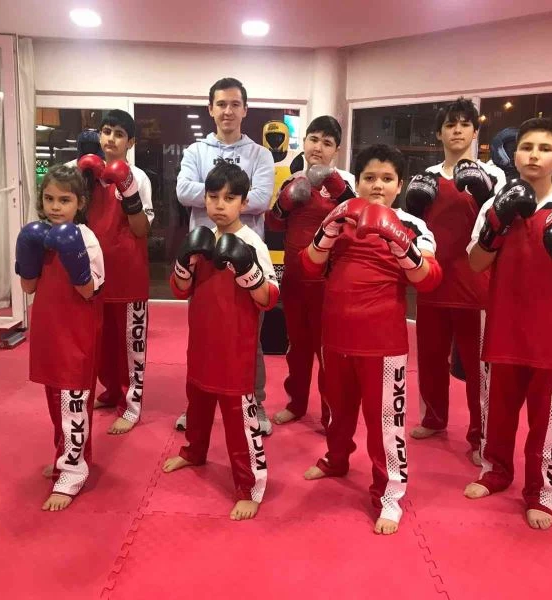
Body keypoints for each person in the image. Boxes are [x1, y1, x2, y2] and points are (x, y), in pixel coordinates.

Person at [463, 117, 552, 530]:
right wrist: (497, 224)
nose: (534, 155)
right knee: (497, 412)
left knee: (548, 418)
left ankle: (541, 492)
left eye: (544, 149)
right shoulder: (495, 204)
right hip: (503, 325)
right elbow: (475, 263)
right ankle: (495, 472)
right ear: (514, 154)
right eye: (526, 147)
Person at [301, 145, 443, 535]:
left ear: (399, 185)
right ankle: (336, 459)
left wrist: (400, 242)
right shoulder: (342, 215)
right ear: (358, 180)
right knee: (336, 409)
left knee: (385, 425)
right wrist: (328, 229)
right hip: (336, 335)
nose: (377, 185)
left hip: (383, 341)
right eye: (369, 177)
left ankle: (390, 494)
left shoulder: (413, 225)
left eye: (386, 178)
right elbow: (309, 265)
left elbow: (429, 279)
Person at [163, 160, 279, 521]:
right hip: (201, 343)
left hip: (236, 350)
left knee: (238, 421)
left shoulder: (252, 243)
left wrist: (247, 269)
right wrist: (184, 261)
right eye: (213, 197)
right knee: (197, 402)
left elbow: (269, 298)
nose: (219, 205)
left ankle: (250, 486)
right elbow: (180, 290)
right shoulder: (200, 241)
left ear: (244, 202)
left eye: (229, 198)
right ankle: (194, 451)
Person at [405, 98, 506, 466]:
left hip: (474, 284)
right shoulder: (426, 177)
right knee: (430, 358)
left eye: (464, 124)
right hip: (433, 281)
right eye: (450, 124)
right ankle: (433, 419)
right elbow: (414, 227)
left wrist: (484, 193)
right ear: (439, 133)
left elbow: (500, 226)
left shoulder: (494, 176)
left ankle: (480, 436)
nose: (457, 130)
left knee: (478, 370)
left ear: (475, 132)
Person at [175, 77, 275, 434]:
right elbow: (182, 190)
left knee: (249, 337)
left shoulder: (260, 154)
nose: (227, 111)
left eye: (235, 104)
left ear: (245, 110)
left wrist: (213, 191)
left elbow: (260, 198)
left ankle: (256, 405)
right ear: (211, 109)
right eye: (221, 104)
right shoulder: (196, 151)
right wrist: (226, 193)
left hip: (244, 250)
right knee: (202, 334)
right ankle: (196, 408)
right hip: (202, 253)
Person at [16, 165, 105, 511]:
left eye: (64, 200)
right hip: (48, 331)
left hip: (76, 333)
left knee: (73, 403)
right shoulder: (37, 236)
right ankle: (65, 457)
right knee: (57, 403)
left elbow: (89, 291)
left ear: (79, 202)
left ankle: (72, 471)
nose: (55, 206)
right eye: (49, 198)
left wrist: (72, 254)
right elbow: (29, 287)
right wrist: (28, 252)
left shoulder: (86, 238)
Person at [265, 115, 355, 429]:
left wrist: (338, 188)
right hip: (294, 278)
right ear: (304, 142)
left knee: (326, 350)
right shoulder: (292, 180)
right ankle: (296, 404)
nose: (318, 147)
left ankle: (331, 414)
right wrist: (285, 203)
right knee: (297, 347)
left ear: (336, 150)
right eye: (314, 139)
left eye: (327, 143)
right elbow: (274, 225)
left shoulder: (345, 183)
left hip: (328, 281)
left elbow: (357, 221)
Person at [77, 109, 155, 435]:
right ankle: (110, 392)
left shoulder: (138, 177)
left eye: (119, 134)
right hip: (95, 275)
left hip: (128, 275)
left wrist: (127, 191)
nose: (111, 138)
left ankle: (131, 406)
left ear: (130, 142)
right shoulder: (85, 174)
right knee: (102, 345)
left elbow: (142, 229)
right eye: (106, 131)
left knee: (129, 348)